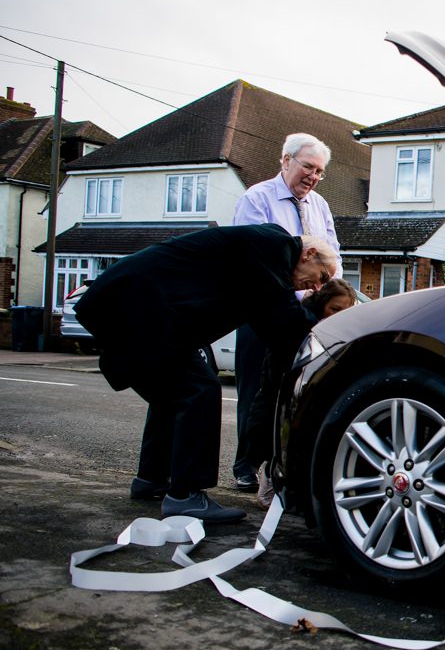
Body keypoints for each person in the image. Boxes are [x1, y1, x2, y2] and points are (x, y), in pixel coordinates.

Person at [75, 225, 337, 523]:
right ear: (309, 254)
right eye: (322, 277)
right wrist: (331, 334)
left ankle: (151, 478)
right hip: (137, 305)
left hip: (134, 305)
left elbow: (272, 327)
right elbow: (285, 320)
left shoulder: (264, 256)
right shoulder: (275, 247)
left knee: (170, 395)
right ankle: (186, 495)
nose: (317, 288)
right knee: (199, 390)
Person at [229, 133, 342, 491]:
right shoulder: (257, 198)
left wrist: (326, 290)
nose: (312, 176)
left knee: (291, 390)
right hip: (262, 311)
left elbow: (334, 257)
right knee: (255, 390)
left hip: (305, 317)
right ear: (285, 161)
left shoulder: (320, 205)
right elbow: (249, 258)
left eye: (319, 171)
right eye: (308, 167)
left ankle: (277, 465)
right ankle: (246, 465)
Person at [245, 278, 357, 510]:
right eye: (334, 309)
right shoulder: (301, 323)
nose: (338, 315)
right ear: (321, 303)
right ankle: (269, 478)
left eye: (345, 311)